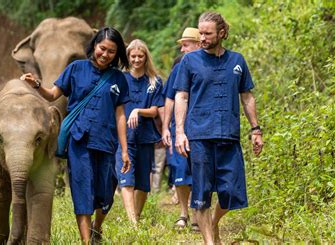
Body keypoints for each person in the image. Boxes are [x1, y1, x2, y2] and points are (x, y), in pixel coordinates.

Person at [20, 27, 131, 244]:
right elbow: (53, 95)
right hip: (79, 141)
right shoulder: (76, 69)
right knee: (82, 189)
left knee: (106, 191)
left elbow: (120, 116)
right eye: (102, 48)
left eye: (111, 51)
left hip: (106, 142)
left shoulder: (118, 79)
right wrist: (37, 85)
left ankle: (97, 227)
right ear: (94, 46)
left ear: (117, 54)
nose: (105, 54)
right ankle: (86, 240)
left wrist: (125, 150)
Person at [174, 12, 264, 244]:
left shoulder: (237, 61)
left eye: (207, 33)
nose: (202, 37)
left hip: (229, 135)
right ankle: (209, 241)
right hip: (199, 136)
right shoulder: (190, 61)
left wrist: (256, 130)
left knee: (232, 193)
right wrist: (180, 132)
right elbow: (181, 97)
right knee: (202, 194)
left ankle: (213, 223)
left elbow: (247, 97)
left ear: (222, 33)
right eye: (200, 33)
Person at [115, 39, 164, 224]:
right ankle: (133, 223)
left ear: (146, 57)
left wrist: (137, 110)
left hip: (145, 136)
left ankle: (136, 216)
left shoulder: (154, 81)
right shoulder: (119, 78)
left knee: (143, 183)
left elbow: (154, 111)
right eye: (133, 56)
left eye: (140, 56)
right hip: (123, 138)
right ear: (127, 57)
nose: (136, 60)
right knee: (127, 179)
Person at [161, 27, 201, 230]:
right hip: (180, 128)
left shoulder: (209, 66)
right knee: (179, 171)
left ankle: (197, 216)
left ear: (198, 44)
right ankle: (184, 213)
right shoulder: (178, 68)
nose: (183, 50)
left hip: (202, 128)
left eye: (186, 45)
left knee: (199, 173)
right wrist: (166, 127)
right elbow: (169, 97)